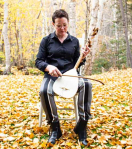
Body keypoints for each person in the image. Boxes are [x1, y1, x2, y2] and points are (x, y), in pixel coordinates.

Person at [35, 9, 92, 146]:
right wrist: (49, 67)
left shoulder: (74, 41)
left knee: (87, 85)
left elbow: (77, 64)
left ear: (68, 23)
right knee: (44, 91)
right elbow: (38, 61)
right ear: (53, 24)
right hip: (52, 76)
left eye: (65, 25)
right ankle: (55, 127)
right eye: (59, 25)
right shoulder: (46, 41)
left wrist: (83, 56)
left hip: (70, 75)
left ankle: (82, 125)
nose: (62, 28)